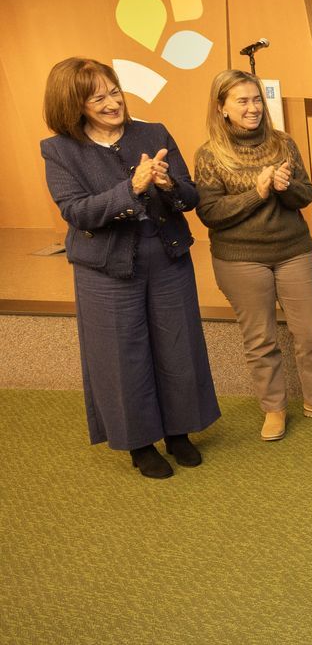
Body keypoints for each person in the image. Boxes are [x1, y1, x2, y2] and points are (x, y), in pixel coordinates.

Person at [41, 57, 220, 479]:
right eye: (97, 96)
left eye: (114, 90)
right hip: (106, 270)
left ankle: (179, 432)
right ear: (73, 105)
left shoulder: (153, 132)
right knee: (122, 356)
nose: (111, 101)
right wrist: (132, 187)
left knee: (178, 346)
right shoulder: (60, 150)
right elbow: (77, 212)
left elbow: (190, 195)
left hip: (166, 257)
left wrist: (168, 184)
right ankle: (140, 443)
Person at [194, 70, 312, 441]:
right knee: (261, 339)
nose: (252, 108)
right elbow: (211, 213)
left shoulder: (284, 143)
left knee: (310, 330)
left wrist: (286, 187)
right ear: (222, 108)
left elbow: (307, 194)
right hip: (240, 258)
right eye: (242, 101)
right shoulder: (209, 154)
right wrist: (259, 191)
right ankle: (274, 409)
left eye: (256, 100)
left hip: (292, 251)